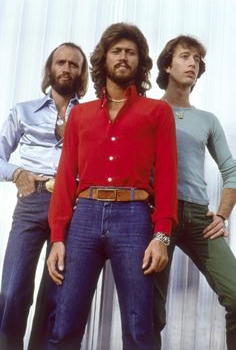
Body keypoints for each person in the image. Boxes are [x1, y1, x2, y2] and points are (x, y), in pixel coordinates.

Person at [46, 22, 178, 350]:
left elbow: (167, 177)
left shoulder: (158, 112)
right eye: (116, 51)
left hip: (134, 218)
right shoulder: (81, 116)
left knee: (138, 327)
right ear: (103, 60)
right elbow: (64, 178)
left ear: (140, 62)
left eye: (130, 53)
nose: (123, 57)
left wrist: (161, 236)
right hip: (84, 217)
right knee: (64, 324)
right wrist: (58, 237)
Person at [0, 42, 88, 350]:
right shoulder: (23, 110)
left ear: (82, 72)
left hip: (73, 207)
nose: (66, 68)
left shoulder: (90, 115)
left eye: (74, 64)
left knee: (57, 292)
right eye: (61, 62)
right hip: (32, 201)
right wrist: (16, 173)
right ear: (50, 69)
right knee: (12, 290)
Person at [153, 35, 236, 350]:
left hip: (200, 216)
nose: (192, 64)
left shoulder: (207, 120)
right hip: (158, 215)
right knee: (150, 311)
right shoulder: (148, 110)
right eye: (185, 56)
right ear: (167, 64)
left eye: (197, 60)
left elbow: (231, 170)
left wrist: (223, 213)